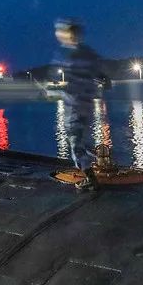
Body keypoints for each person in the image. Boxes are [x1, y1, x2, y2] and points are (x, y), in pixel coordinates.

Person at [52, 18, 108, 192]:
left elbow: (69, 82)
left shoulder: (67, 55)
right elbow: (101, 75)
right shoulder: (89, 54)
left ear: (69, 34)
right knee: (82, 138)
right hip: (87, 105)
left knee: (75, 143)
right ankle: (100, 156)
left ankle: (90, 178)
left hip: (74, 106)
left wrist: (57, 89)